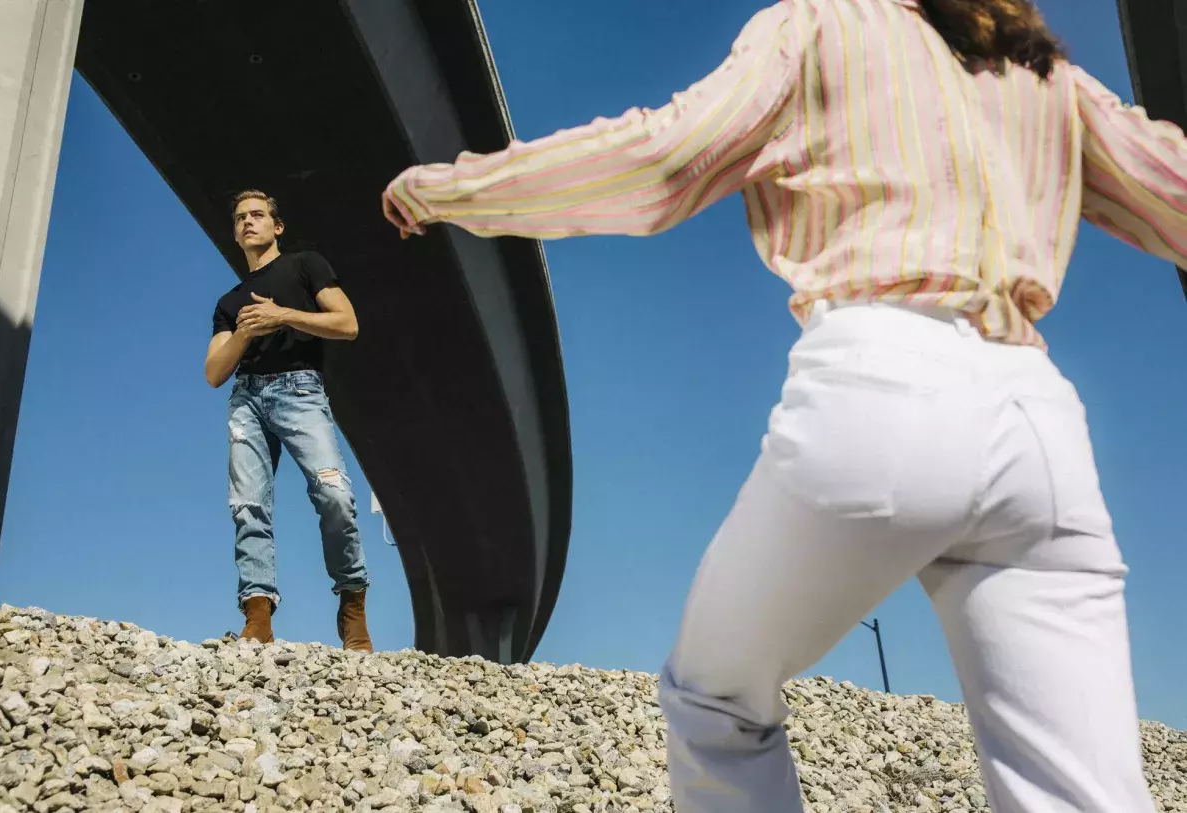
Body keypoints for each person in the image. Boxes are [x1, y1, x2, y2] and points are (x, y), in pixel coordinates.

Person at [382, 0, 1186, 809]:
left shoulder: (820, 26)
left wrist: (450, 189)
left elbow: (661, 160)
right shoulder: (1047, 76)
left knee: (716, 697)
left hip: (883, 379)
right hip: (1039, 422)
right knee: (1082, 786)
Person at [206, 189, 373, 653]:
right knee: (248, 505)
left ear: (277, 226)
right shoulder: (229, 301)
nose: (248, 221)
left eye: (258, 215)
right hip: (246, 397)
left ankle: (352, 601)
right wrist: (243, 332)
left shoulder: (305, 265)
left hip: (300, 390)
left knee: (334, 494)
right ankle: (257, 613)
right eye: (240, 217)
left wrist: (283, 315)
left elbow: (347, 323)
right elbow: (214, 372)